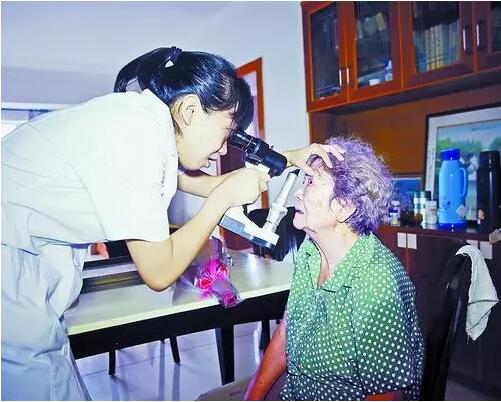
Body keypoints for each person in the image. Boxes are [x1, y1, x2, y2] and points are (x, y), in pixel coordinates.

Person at [1, 46, 344, 400]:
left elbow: (207, 183)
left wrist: (289, 159)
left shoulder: (143, 125)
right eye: (226, 133)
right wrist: (221, 201)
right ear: (190, 110)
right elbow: (159, 271)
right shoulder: (136, 137)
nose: (224, 151)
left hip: (25, 268)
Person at [244, 136, 424, 401]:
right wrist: (251, 397)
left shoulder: (375, 283)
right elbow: (287, 330)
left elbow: (385, 395)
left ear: (344, 207)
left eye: (310, 182)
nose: (297, 193)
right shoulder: (310, 251)